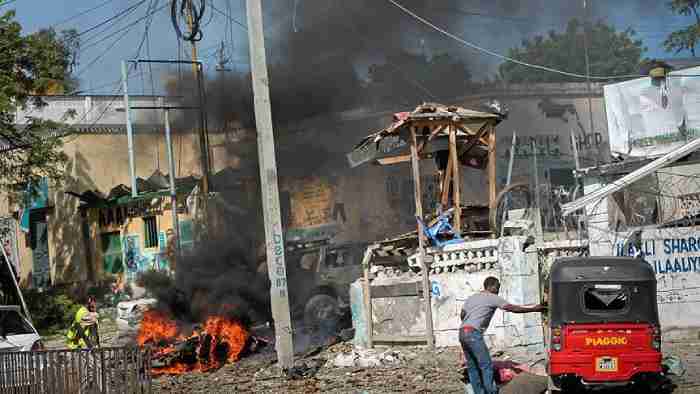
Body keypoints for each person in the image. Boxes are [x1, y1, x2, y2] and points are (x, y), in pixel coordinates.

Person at [460, 277, 546, 394]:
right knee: (486, 365)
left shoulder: (472, 298)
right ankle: (491, 391)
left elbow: (462, 314)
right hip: (473, 334)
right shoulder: (492, 297)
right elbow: (512, 308)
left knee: (473, 367)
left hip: (462, 332)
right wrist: (534, 309)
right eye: (498, 287)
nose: (498, 290)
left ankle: (478, 392)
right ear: (492, 286)